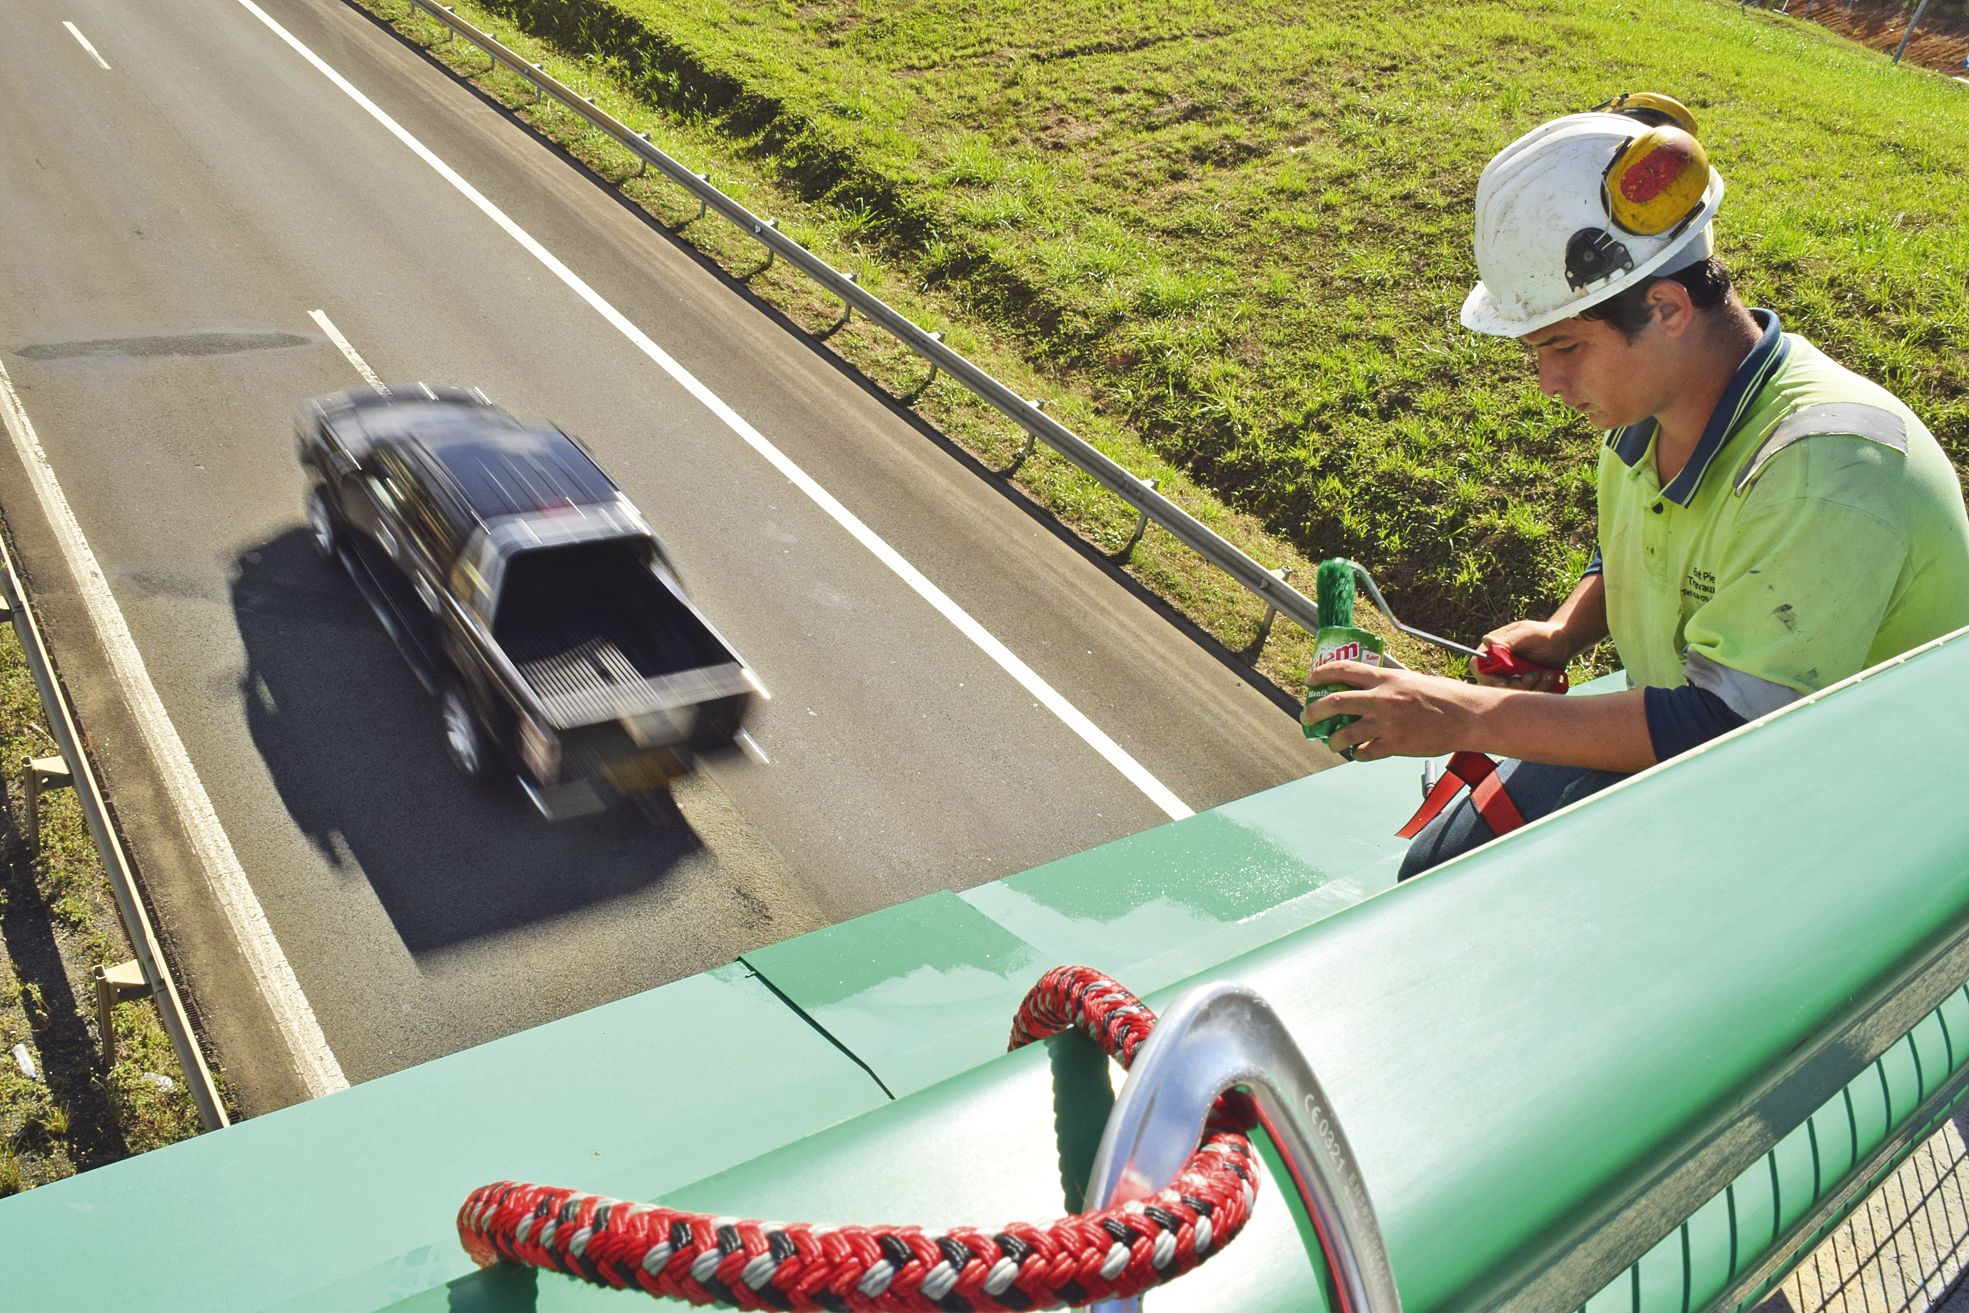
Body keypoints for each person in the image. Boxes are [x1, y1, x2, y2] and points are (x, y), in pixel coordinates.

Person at [1302, 93, 1969, 880]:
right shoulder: (1651, 409)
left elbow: (1728, 725)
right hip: (1714, 755)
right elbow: (1647, 537)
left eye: (1563, 347)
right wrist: (1565, 631)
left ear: (1666, 306)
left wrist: (1450, 711)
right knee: (1436, 870)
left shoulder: (1826, 467)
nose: (1547, 382)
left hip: (1838, 818)